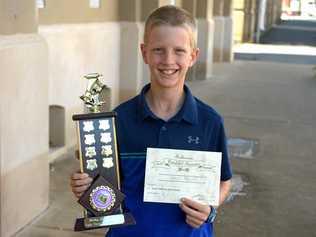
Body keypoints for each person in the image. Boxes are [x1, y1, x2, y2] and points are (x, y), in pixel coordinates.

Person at [70, 5, 232, 237]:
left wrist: (209, 208)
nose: (168, 60)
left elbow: (224, 181)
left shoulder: (209, 122)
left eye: (179, 50)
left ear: (193, 56)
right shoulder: (118, 121)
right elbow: (104, 192)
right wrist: (86, 189)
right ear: (144, 52)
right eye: (158, 50)